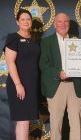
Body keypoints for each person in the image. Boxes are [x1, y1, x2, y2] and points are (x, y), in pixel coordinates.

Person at [39, 13, 81, 140]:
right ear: (54, 24)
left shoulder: (78, 41)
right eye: (59, 21)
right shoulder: (46, 42)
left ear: (69, 24)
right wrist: (58, 73)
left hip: (75, 85)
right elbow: (43, 64)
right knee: (56, 124)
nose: (63, 24)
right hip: (56, 85)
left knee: (76, 124)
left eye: (66, 21)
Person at [4, 9, 40, 140]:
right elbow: (10, 62)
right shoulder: (13, 38)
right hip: (18, 84)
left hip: (32, 85)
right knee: (23, 120)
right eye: (23, 19)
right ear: (17, 22)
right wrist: (18, 84)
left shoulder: (35, 39)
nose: (26, 22)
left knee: (27, 121)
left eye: (28, 19)